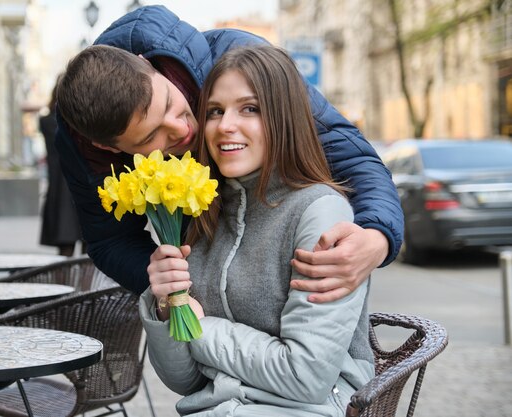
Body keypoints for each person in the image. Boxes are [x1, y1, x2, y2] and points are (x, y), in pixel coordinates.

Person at [55, 5, 403, 300]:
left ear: (148, 65)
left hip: (288, 250)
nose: (181, 130)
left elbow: (351, 157)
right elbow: (110, 241)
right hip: (206, 275)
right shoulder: (83, 142)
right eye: (151, 136)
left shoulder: (242, 62)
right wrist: (162, 283)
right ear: (108, 147)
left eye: (169, 104)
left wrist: (377, 237)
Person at [142, 45, 373, 416]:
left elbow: (306, 376)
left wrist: (201, 327)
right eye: (215, 111)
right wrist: (168, 306)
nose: (225, 125)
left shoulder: (321, 214)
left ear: (284, 118)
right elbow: (184, 382)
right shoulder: (203, 214)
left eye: (249, 109)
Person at [39, 75, 83, 256]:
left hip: (64, 189)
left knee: (71, 249)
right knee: (83, 250)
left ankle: (69, 283)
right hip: (73, 187)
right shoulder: (57, 122)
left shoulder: (48, 121)